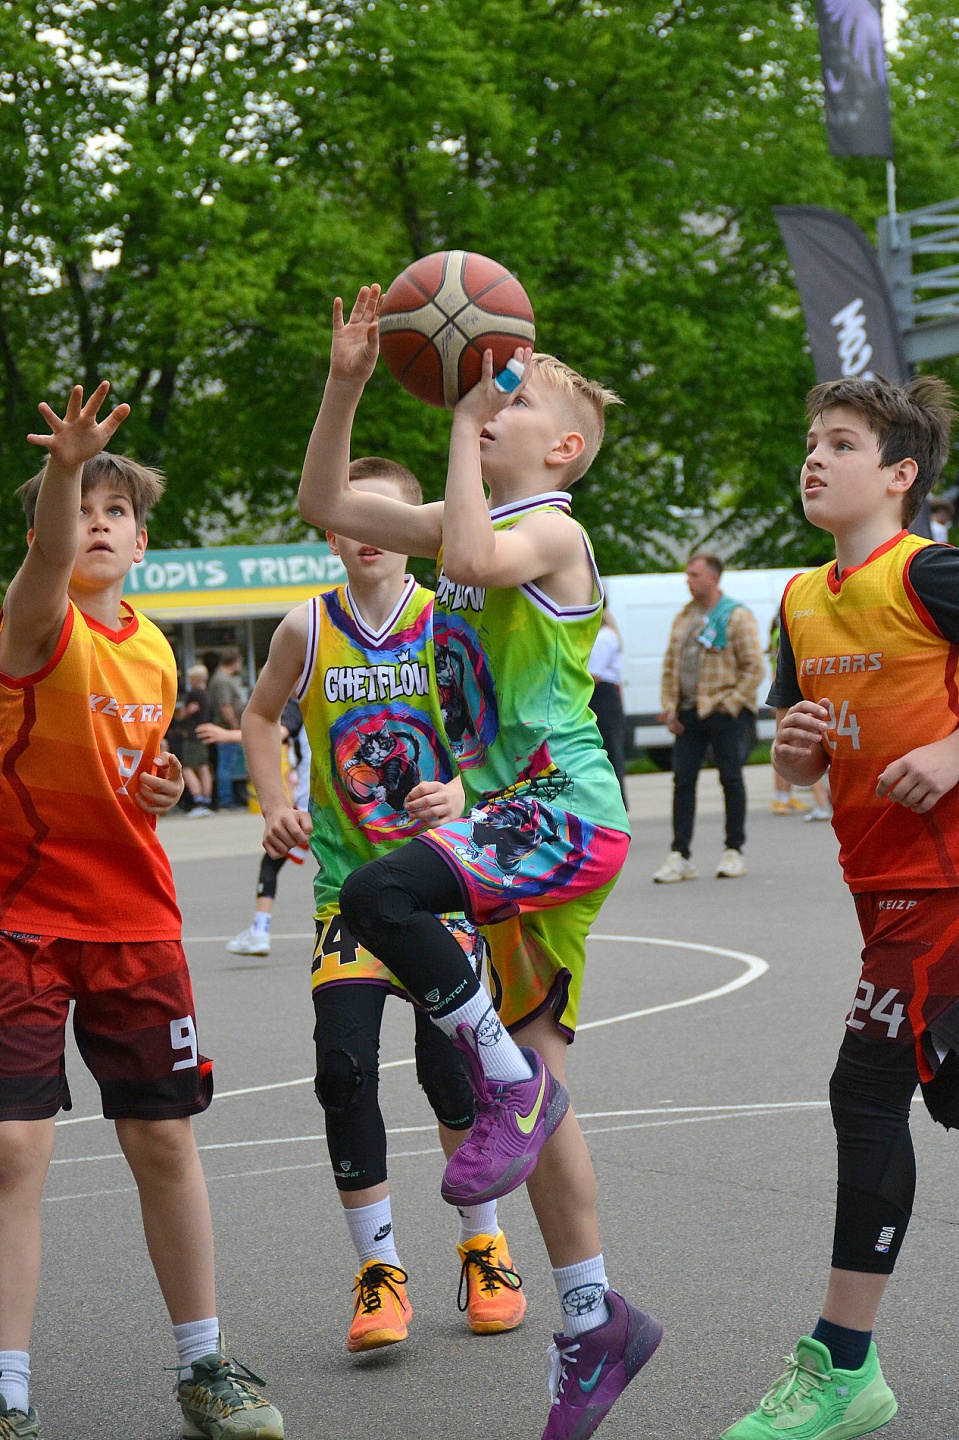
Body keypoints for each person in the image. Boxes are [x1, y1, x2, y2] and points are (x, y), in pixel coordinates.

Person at [298, 286, 662, 1440]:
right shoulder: (465, 526)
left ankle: (503, 1079)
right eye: (486, 391)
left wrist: (460, 422)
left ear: (561, 450)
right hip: (514, 826)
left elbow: (467, 548)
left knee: (377, 890)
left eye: (513, 397)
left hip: (562, 811)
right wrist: (348, 383)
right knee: (541, 1107)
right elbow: (322, 503)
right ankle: (593, 1320)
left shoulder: (550, 530)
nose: (489, 402)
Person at [0, 383, 283, 1440]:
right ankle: (8, 1389)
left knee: (163, 1141)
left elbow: (133, 766)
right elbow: (44, 562)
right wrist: (68, 465)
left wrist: (158, 785)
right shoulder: (36, 622)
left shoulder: (157, 652)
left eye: (116, 511)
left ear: (144, 541)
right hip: (23, 921)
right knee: (14, 1150)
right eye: (81, 510)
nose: (97, 524)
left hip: (135, 924)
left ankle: (205, 1365)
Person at [242, 455, 527, 1351]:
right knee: (342, 1071)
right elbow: (259, 717)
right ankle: (378, 1272)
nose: (368, 532)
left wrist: (464, 791)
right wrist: (275, 802)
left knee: (450, 1075)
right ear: (333, 532)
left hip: (438, 884)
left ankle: (484, 1247)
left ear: (418, 531)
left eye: (387, 516)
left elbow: (499, 736)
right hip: (346, 893)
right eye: (352, 516)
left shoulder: (446, 620)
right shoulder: (306, 626)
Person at [720, 374, 959, 1440]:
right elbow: (803, 757)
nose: (814, 458)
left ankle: (841, 1366)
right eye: (811, 441)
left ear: (900, 474)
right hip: (880, 886)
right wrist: (793, 749)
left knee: (863, 1094)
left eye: (842, 443)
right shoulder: (799, 600)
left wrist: (951, 752)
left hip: (945, 885)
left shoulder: (931, 573)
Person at [653, 552, 764, 882]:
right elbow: (670, 666)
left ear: (714, 578)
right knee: (683, 781)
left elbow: (755, 667)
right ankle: (680, 855)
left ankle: (734, 851)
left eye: (695, 575)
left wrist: (731, 703)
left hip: (723, 711)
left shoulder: (736, 616)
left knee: (731, 778)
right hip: (688, 713)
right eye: (688, 575)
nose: (688, 581)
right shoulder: (684, 617)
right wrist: (670, 707)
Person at [221, 698, 313, 956]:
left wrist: (226, 735)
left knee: (272, 862)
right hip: (332, 802)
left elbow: (270, 730)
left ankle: (260, 931)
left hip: (308, 808)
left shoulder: (298, 703)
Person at [767, 613, 831, 822]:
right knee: (802, 748)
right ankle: (813, 802)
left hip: (794, 695)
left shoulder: (780, 631)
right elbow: (781, 667)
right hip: (796, 696)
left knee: (799, 748)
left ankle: (785, 798)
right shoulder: (784, 631)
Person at [588, 598, 629, 807]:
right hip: (602, 695)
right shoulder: (604, 635)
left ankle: (616, 803)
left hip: (602, 696)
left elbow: (593, 675)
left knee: (609, 752)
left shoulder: (604, 637)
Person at [208, 647, 247, 809]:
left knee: (230, 764)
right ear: (235, 662)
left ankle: (230, 795)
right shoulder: (222, 680)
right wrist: (234, 725)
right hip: (226, 729)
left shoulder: (220, 678)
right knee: (226, 765)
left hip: (227, 728)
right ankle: (226, 798)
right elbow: (225, 706)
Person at [178, 662, 214, 817]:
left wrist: (184, 712)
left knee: (186, 768)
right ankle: (207, 800)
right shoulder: (207, 694)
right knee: (203, 767)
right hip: (204, 734)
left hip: (192, 735)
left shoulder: (194, 694)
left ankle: (197, 800)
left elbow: (183, 714)